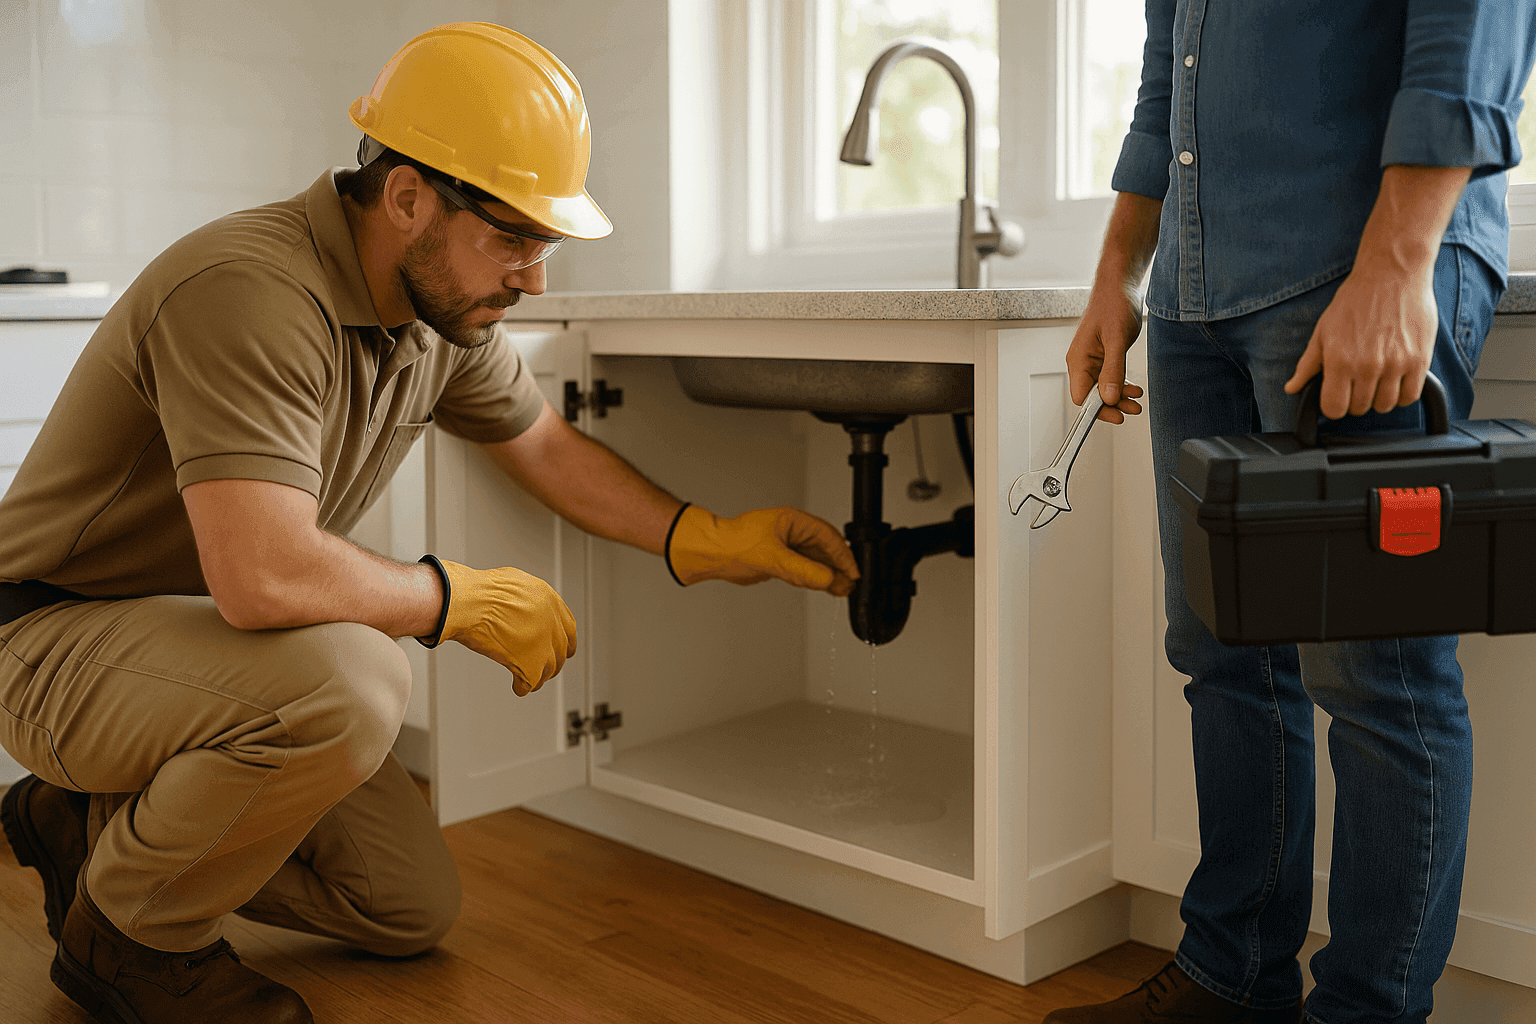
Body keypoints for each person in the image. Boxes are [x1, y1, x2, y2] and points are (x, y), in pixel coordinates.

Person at [0, 24, 858, 1024]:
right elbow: (264, 577)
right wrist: (455, 598)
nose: (535, 278)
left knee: (408, 905)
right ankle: (129, 936)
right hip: (53, 641)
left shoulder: (436, 314)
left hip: (217, 657)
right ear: (408, 195)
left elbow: (541, 444)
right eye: (514, 238)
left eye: (546, 244)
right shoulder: (249, 291)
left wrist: (702, 535)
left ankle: (90, 828)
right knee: (358, 675)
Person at [1046, 4, 1536, 1024]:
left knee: (1379, 676)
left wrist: (1399, 266)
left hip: (1351, 272)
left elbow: (1474, 21)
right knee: (1223, 654)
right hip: (1193, 297)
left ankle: (1365, 1010)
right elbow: (1165, 70)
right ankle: (1233, 979)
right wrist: (1116, 275)